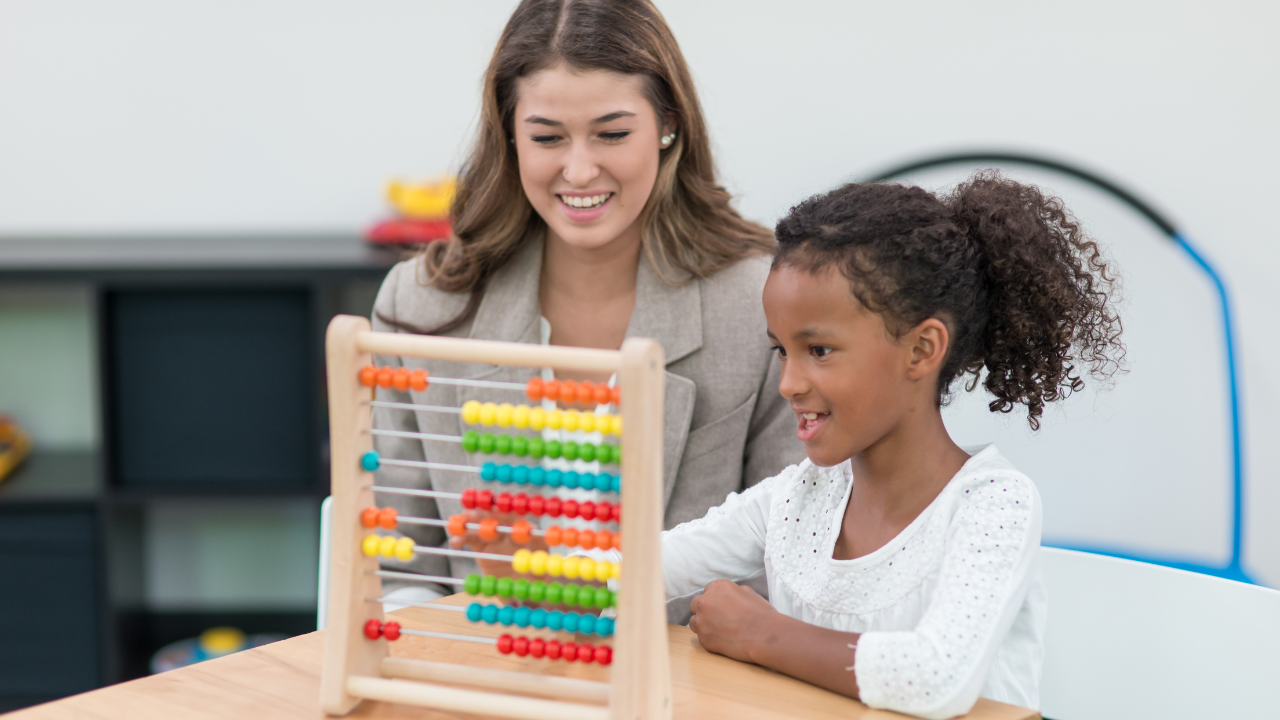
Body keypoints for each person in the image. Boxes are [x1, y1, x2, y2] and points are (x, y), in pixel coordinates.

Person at [369, 0, 805, 616]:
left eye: (612, 133)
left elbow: (793, 566)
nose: (578, 169)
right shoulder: (421, 304)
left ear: (668, 125)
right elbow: (399, 563)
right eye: (547, 137)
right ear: (510, 134)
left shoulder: (754, 304)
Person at [662, 173, 1125, 718]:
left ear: (922, 349)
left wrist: (761, 634)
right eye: (782, 351)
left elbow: (935, 677)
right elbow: (647, 565)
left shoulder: (993, 506)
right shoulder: (795, 502)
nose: (788, 382)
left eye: (820, 350)